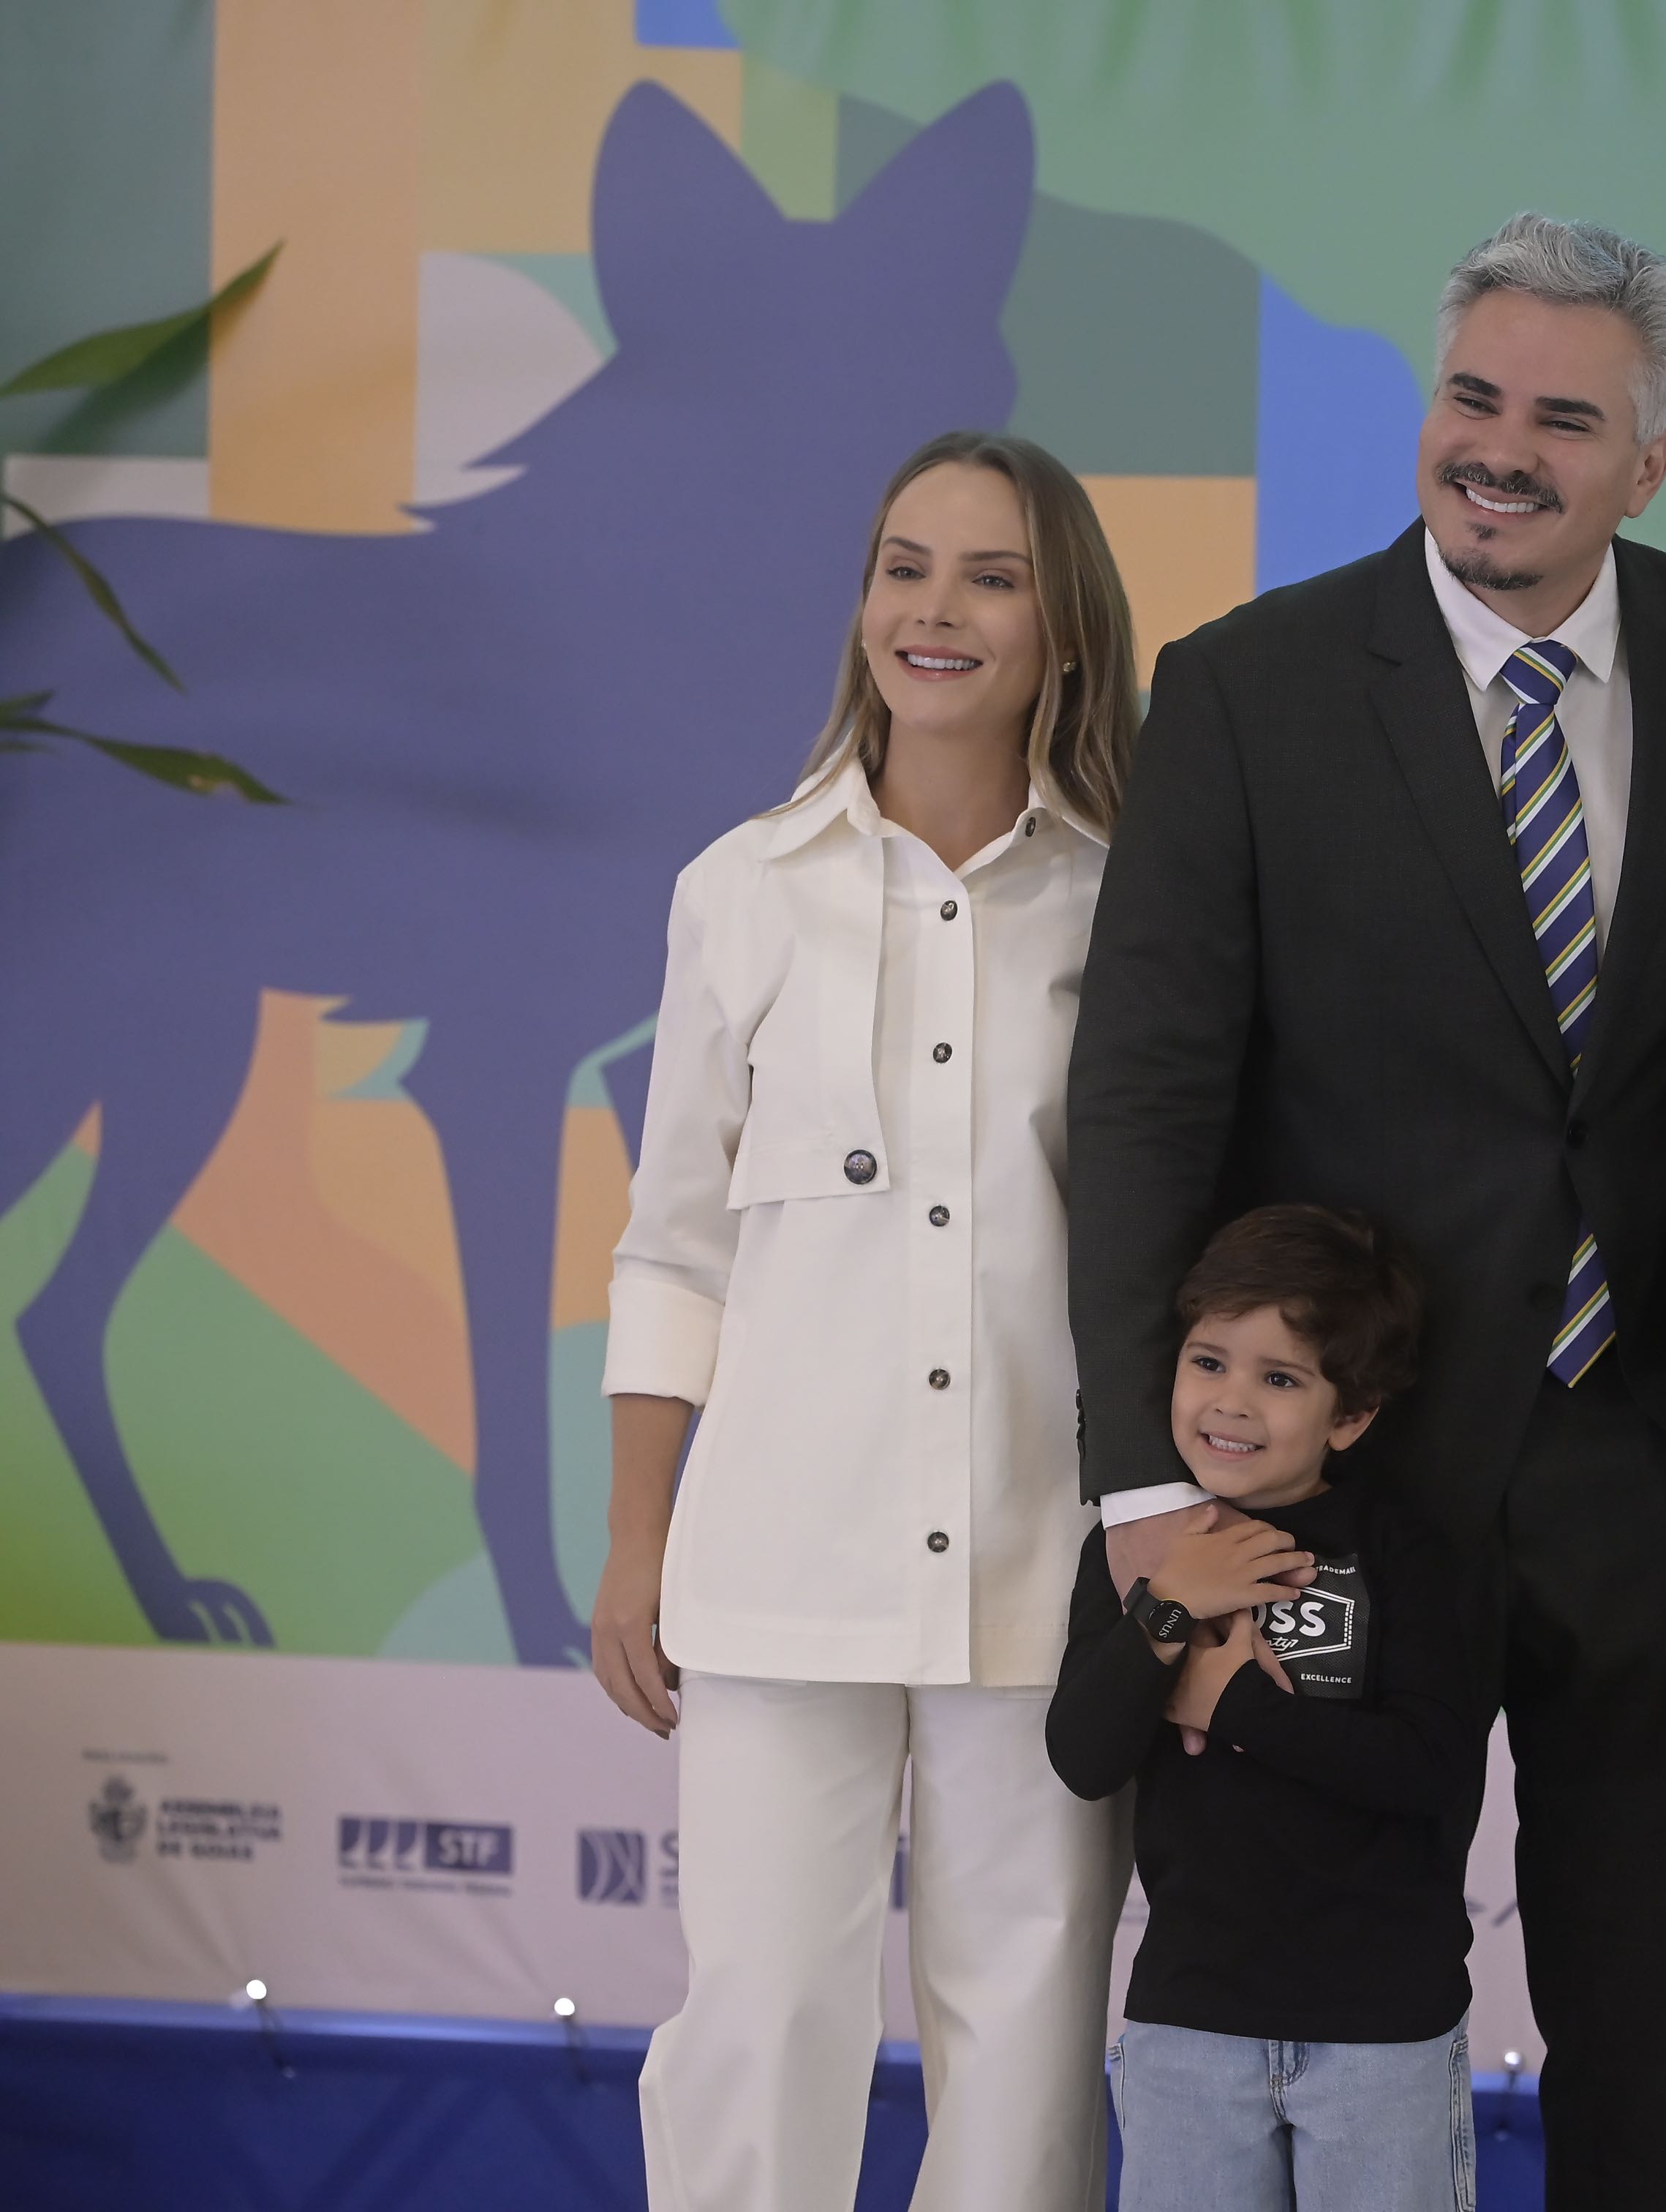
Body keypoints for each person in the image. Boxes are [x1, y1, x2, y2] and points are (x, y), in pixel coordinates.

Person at [1066, 212, 1666, 2206]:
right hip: (1344, 1480)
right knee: (1317, 2008)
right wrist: (1144, 1487)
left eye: (1564, 421)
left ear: (1650, 462)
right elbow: (1148, 1101)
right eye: (1473, 397)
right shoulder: (1245, 688)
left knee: (1637, 2024)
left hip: (1638, 1456)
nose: (1500, 450)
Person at [588, 429, 1142, 2212]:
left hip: (1043, 1566)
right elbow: (673, 1248)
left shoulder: (1138, 901)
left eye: (991, 576)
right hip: (775, 1566)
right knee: (756, 2025)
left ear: (1065, 626)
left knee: (1029, 2047)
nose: (934, 609)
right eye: (905, 567)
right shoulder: (741, 889)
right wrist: (636, 1543)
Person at [1045, 1204, 1480, 2212]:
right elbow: (1082, 1756)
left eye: (1280, 1379)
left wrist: (1233, 1702)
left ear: (1350, 1415)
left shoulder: (1405, 1551)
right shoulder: (1139, 1554)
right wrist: (1167, 1606)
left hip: (1382, 2033)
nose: (1230, 1401)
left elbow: (1431, 1768)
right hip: (1189, 2025)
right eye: (1208, 1362)